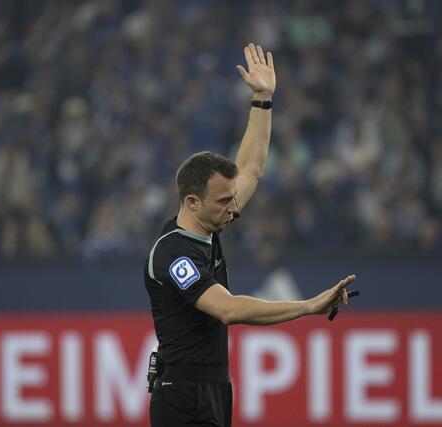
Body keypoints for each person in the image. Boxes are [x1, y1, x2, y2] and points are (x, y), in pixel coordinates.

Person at [143, 43, 357, 427]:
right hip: (183, 397)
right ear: (192, 202)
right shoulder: (175, 254)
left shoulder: (208, 225)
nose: (235, 207)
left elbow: (252, 169)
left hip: (213, 389)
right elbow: (228, 309)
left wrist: (262, 100)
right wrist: (307, 306)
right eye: (224, 201)